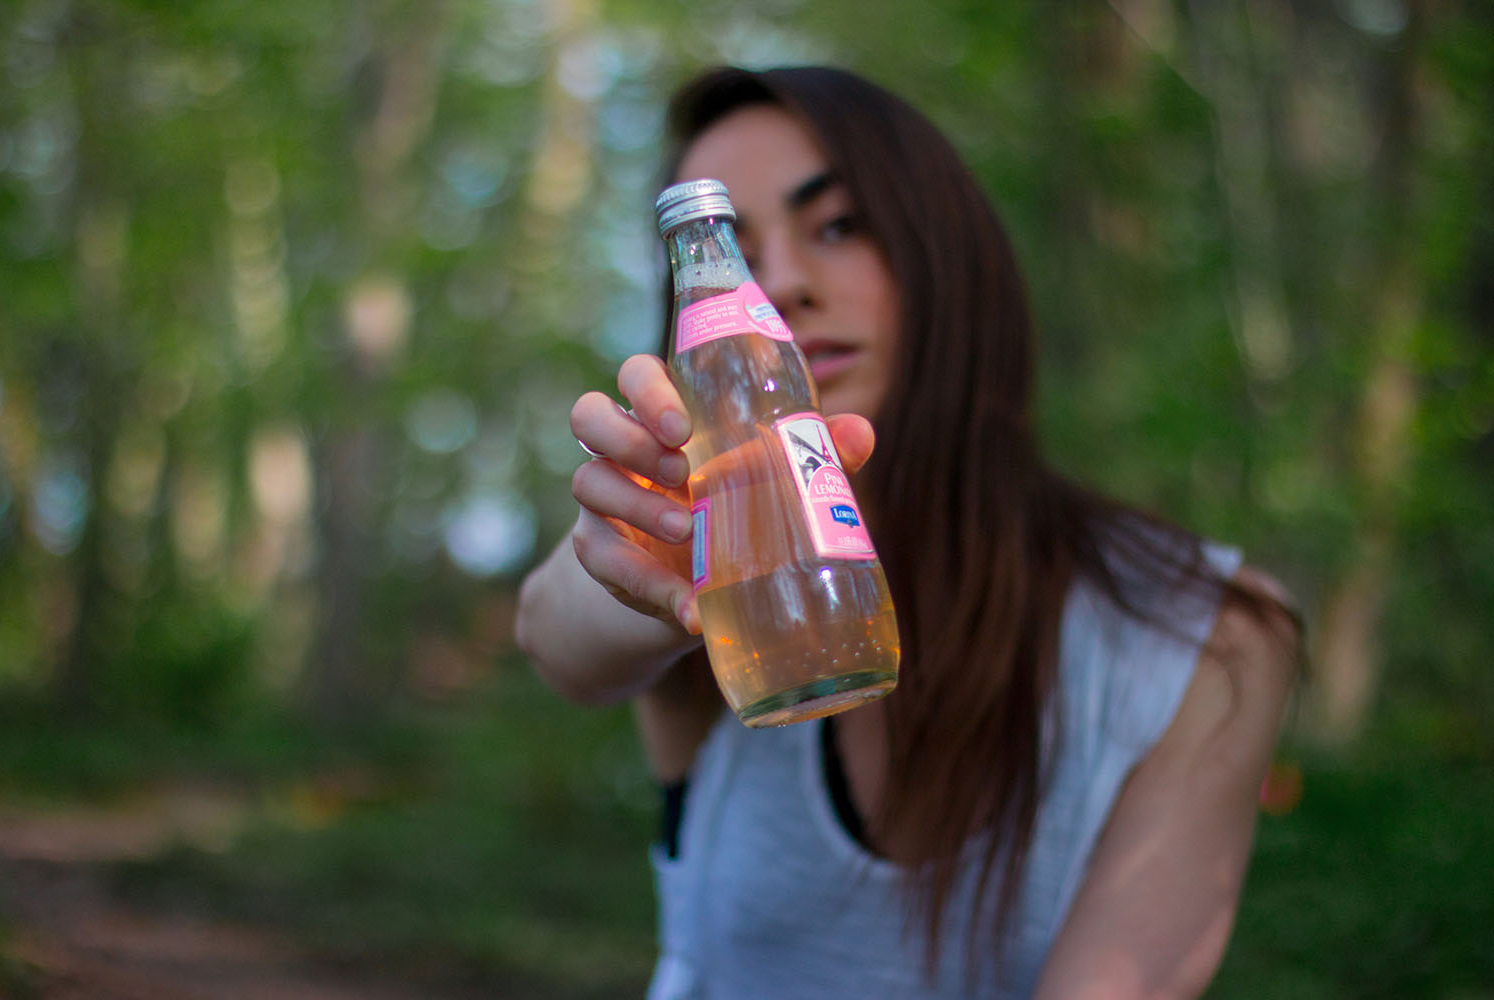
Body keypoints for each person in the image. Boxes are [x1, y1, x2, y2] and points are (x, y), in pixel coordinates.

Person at [515, 65, 1300, 999]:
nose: (786, 283)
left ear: (945, 254)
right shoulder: (719, 577)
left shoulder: (1204, 638)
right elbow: (561, 639)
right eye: (728, 247)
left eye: (839, 225)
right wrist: (642, 552)